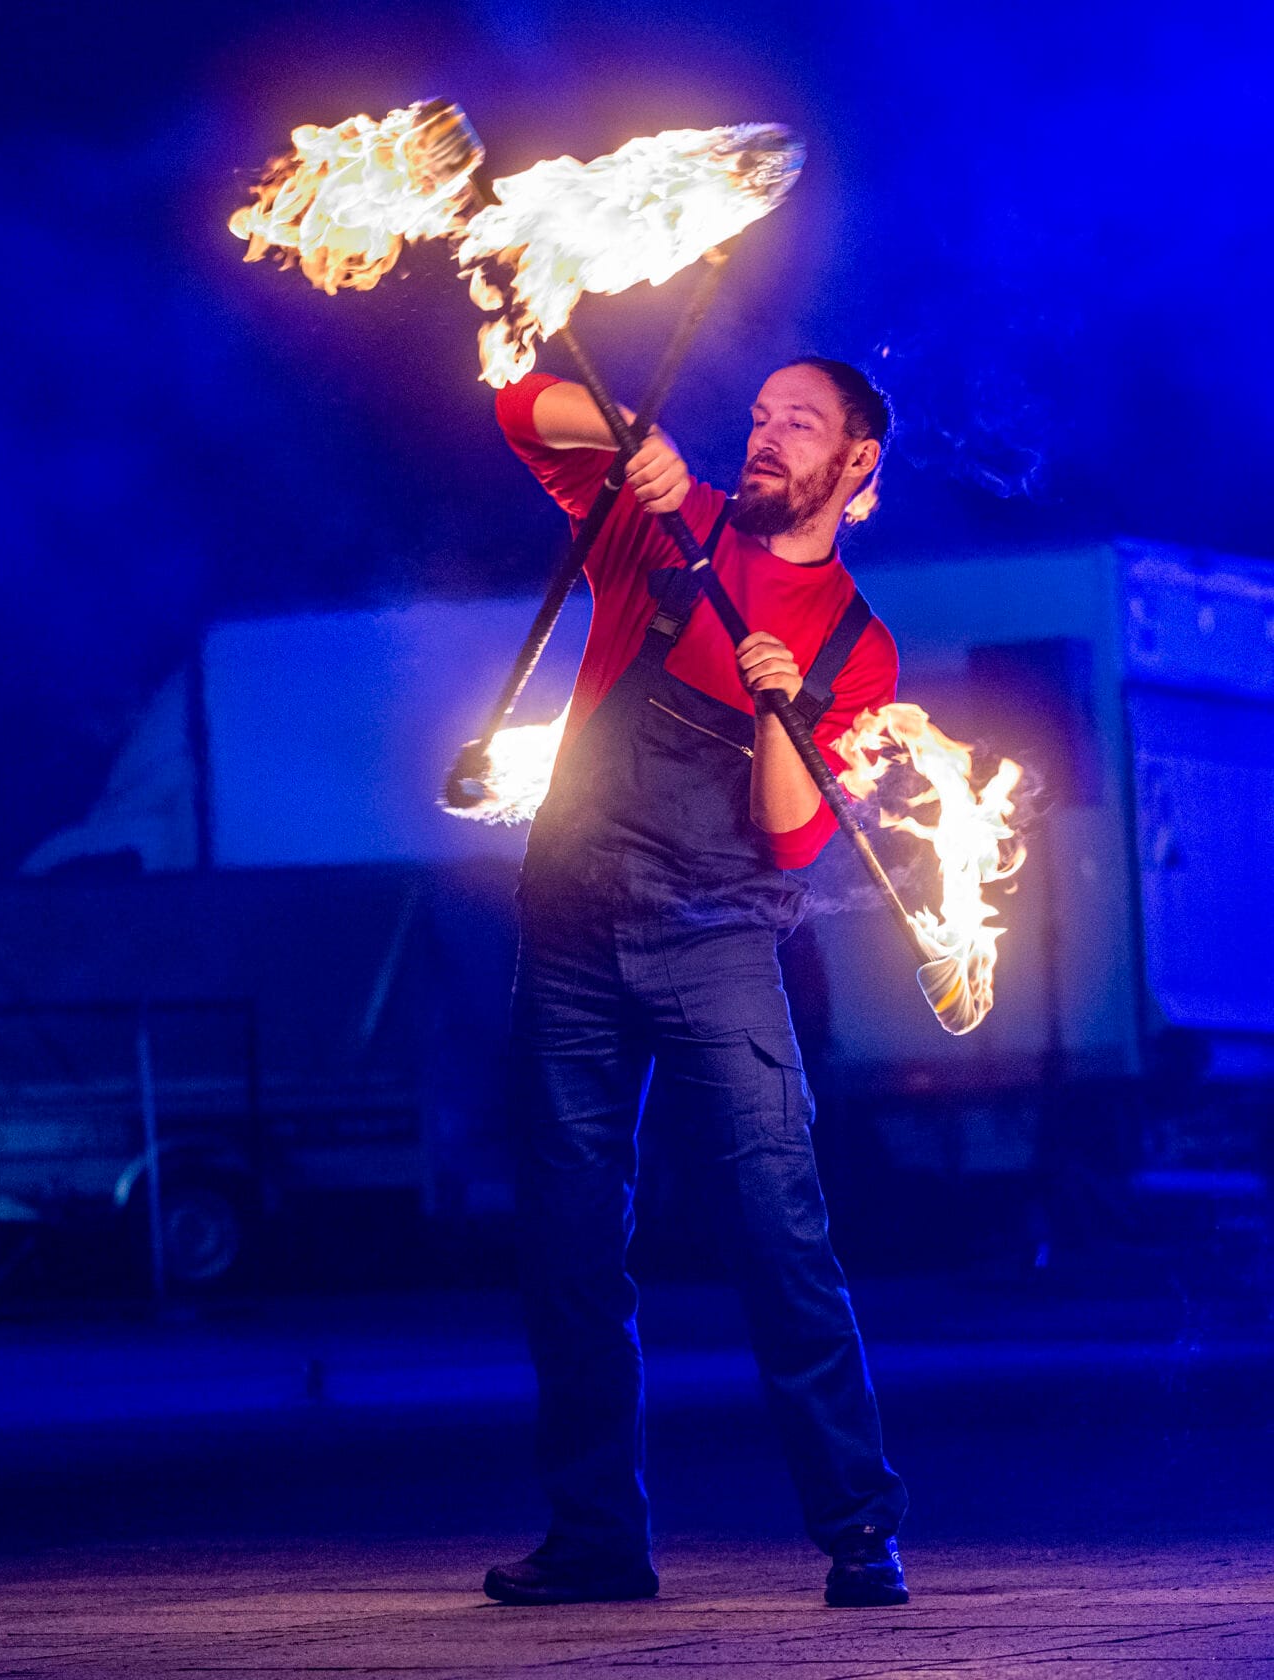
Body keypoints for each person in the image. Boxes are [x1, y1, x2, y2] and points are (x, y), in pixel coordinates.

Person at [483, 358, 909, 1609]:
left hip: (718, 946)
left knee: (779, 1235)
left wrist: (782, 708)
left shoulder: (855, 645)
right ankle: (596, 1543)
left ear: (856, 464)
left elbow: (789, 834)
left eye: (801, 424)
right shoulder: (664, 520)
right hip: (569, 929)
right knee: (567, 1246)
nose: (767, 435)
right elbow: (518, 409)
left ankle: (858, 1531)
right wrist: (632, 434)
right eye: (761, 415)